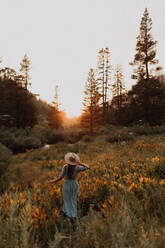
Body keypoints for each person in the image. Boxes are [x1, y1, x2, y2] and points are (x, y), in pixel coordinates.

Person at [48, 152, 90, 221]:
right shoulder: (77, 167)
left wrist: (52, 181)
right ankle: (73, 215)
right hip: (74, 184)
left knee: (67, 199)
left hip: (67, 184)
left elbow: (60, 177)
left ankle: (67, 214)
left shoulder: (65, 167)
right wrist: (80, 163)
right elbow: (88, 167)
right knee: (73, 199)